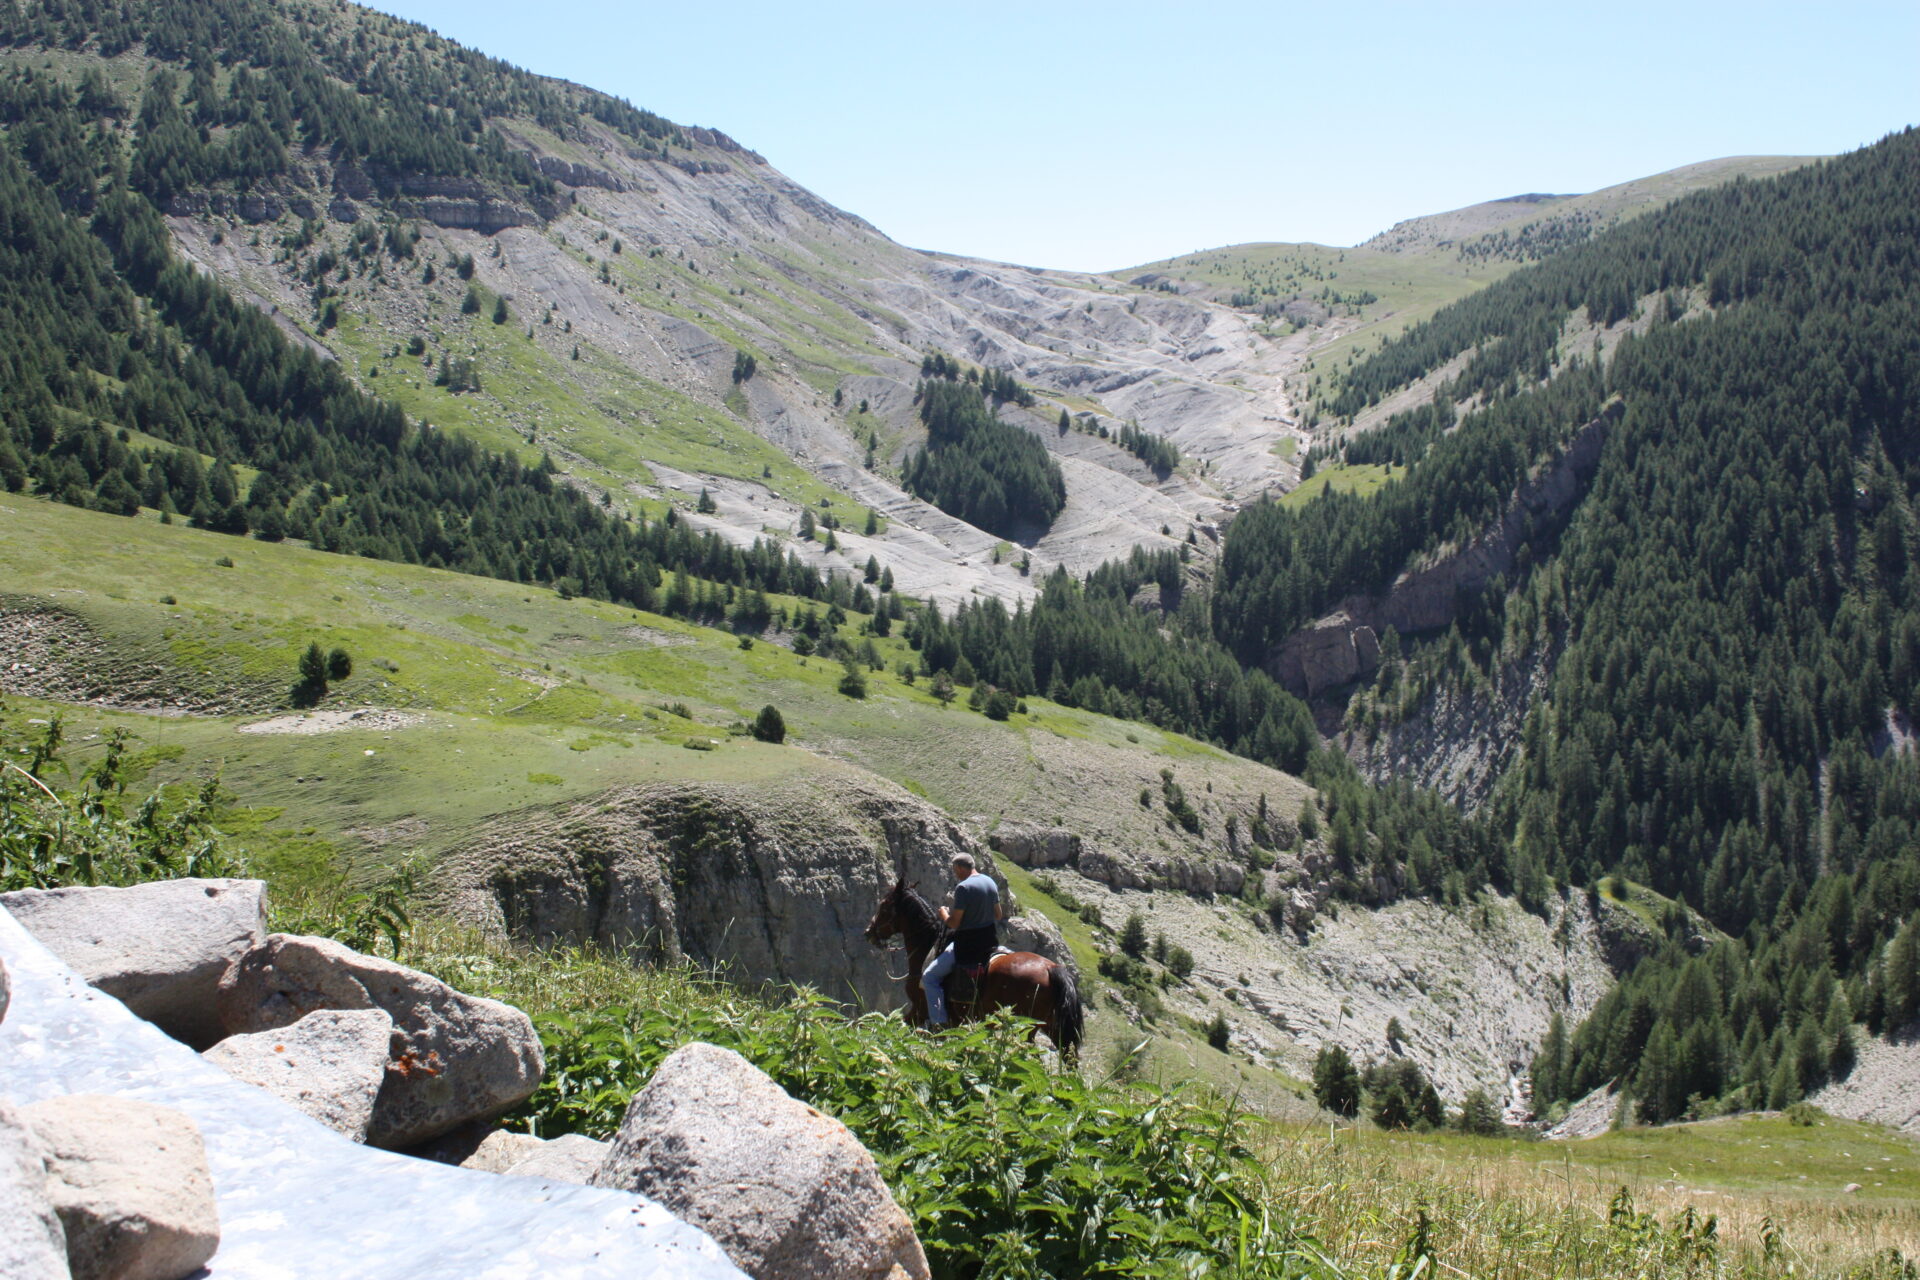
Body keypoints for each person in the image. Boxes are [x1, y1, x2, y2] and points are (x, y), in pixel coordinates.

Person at [922, 852, 1002, 1029]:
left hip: (968, 945)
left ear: (959, 867)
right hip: (990, 942)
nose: (955, 874)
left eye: (954, 870)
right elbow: (998, 914)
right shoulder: (990, 882)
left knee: (930, 977)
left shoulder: (963, 888)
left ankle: (938, 1023)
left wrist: (944, 914)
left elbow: (954, 923)